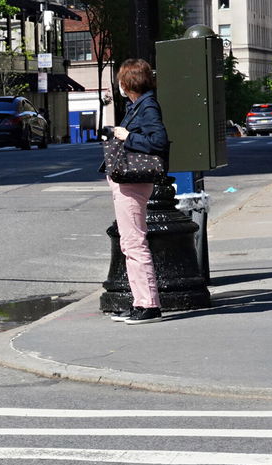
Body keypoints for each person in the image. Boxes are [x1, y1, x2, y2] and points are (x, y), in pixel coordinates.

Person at [102, 58, 169, 324]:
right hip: (127, 181)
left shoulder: (147, 105)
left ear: (127, 82)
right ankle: (140, 301)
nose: (119, 84)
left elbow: (158, 141)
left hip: (133, 182)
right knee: (130, 243)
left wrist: (126, 136)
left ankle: (148, 305)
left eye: (121, 80)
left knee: (133, 243)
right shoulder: (138, 105)